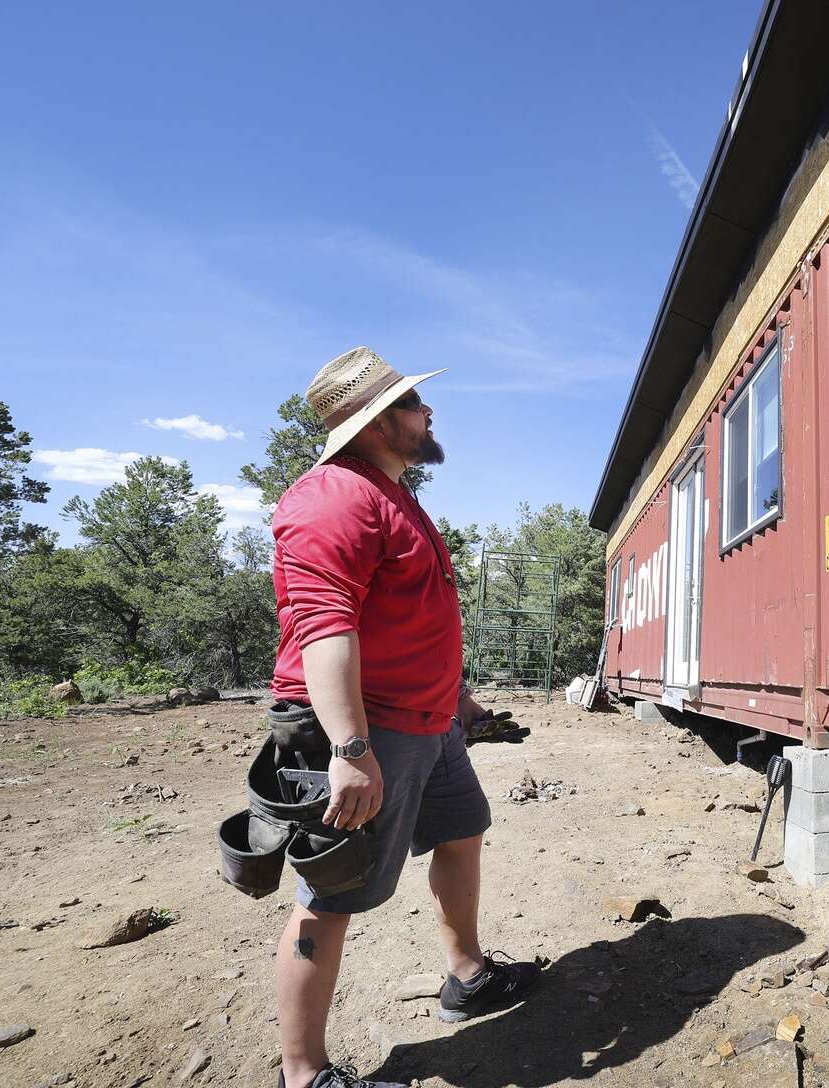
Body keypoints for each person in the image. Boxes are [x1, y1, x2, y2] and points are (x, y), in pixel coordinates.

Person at [268, 347, 539, 1088]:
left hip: (427, 723)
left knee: (461, 831)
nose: (428, 415)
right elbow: (325, 628)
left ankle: (468, 976)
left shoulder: (392, 494)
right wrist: (350, 749)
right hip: (364, 728)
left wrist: (461, 703)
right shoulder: (333, 497)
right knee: (330, 892)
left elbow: (413, 620)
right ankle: (302, 1073)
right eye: (417, 406)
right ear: (380, 422)